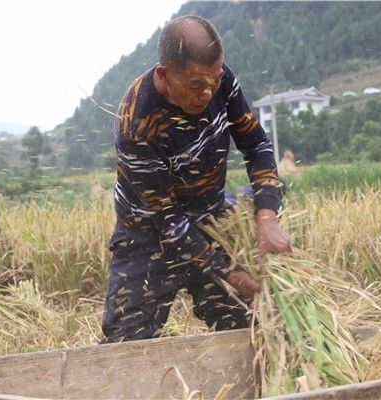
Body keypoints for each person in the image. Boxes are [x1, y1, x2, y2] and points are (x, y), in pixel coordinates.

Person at [101, 15, 292, 343]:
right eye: (195, 85)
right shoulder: (138, 121)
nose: (207, 93)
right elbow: (169, 220)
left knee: (258, 330)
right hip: (149, 236)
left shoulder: (218, 78)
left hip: (210, 219)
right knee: (124, 351)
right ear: (164, 74)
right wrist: (229, 272)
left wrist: (266, 218)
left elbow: (256, 144)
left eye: (213, 82)